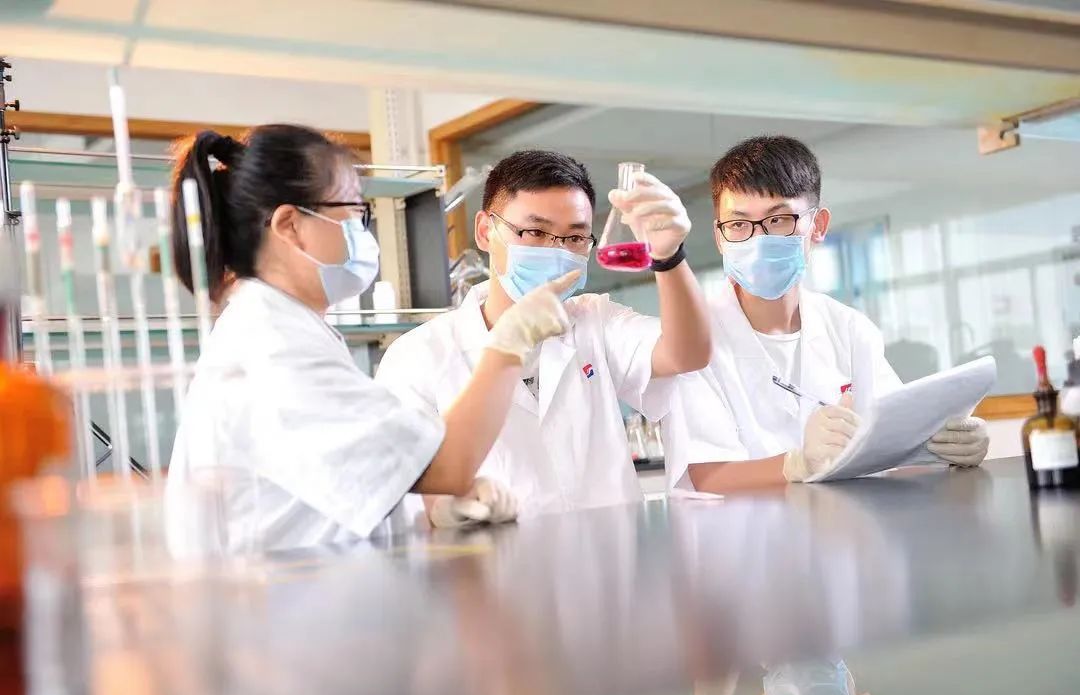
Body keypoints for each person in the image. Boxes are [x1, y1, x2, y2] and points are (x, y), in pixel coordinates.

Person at [164, 125, 578, 552]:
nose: (363, 231)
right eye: (354, 211)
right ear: (290, 225)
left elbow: (348, 483)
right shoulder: (272, 345)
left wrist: (429, 513)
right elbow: (450, 466)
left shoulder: (282, 329)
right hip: (281, 591)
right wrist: (510, 342)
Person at [376, 150, 711, 525]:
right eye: (535, 232)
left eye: (576, 237)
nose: (558, 251)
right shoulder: (417, 355)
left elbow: (687, 354)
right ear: (485, 231)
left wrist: (669, 258)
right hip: (497, 557)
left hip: (610, 555)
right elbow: (406, 486)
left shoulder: (594, 321)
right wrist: (443, 510)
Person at [663, 136, 989, 493]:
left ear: (817, 225)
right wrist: (798, 464)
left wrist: (944, 446)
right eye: (739, 225)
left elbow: (895, 442)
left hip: (841, 521)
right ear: (720, 237)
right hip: (739, 528)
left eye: (779, 219)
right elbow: (706, 476)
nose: (758, 239)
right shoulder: (691, 339)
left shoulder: (849, 329)